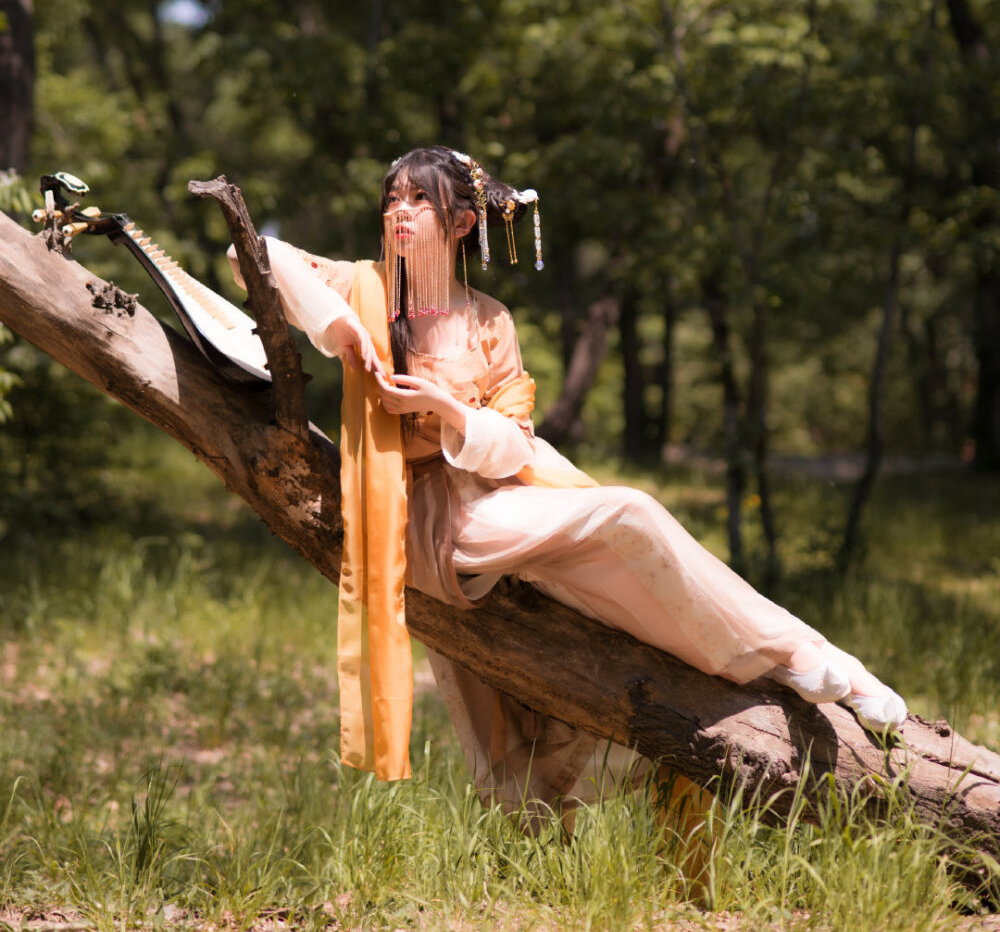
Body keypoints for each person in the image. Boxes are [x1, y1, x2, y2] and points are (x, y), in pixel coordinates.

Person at [228, 146, 906, 817]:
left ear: (462, 223)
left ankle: (796, 658)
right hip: (420, 514)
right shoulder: (363, 284)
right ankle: (802, 654)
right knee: (628, 514)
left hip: (495, 498)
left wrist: (440, 409)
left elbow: (509, 443)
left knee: (634, 576)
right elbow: (248, 256)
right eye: (391, 200)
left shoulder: (490, 320)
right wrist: (345, 330)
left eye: (418, 200)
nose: (399, 214)